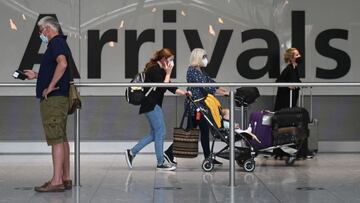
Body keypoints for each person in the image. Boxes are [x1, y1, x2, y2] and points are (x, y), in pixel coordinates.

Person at [23, 16, 72, 192]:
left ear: (48, 29)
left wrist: (50, 86)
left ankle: (57, 180)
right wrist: (37, 75)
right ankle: (65, 178)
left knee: (56, 139)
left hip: (54, 100)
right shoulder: (58, 44)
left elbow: (63, 64)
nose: (41, 35)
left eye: (41, 31)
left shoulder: (56, 42)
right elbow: (56, 67)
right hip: (59, 98)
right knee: (61, 137)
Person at [124, 48, 190, 171]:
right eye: (170, 60)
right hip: (151, 105)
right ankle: (160, 163)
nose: (171, 63)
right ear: (163, 60)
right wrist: (168, 73)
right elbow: (163, 87)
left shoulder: (160, 70)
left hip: (153, 105)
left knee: (155, 134)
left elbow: (170, 86)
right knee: (161, 132)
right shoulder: (154, 70)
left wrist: (184, 92)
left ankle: (131, 152)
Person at [164, 48, 228, 166]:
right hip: (195, 107)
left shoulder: (201, 71)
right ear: (198, 58)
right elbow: (205, 87)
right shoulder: (192, 71)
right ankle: (169, 153)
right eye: (204, 57)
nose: (206, 59)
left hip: (201, 106)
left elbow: (210, 82)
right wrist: (220, 92)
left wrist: (221, 88)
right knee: (189, 132)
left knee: (200, 132)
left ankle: (208, 158)